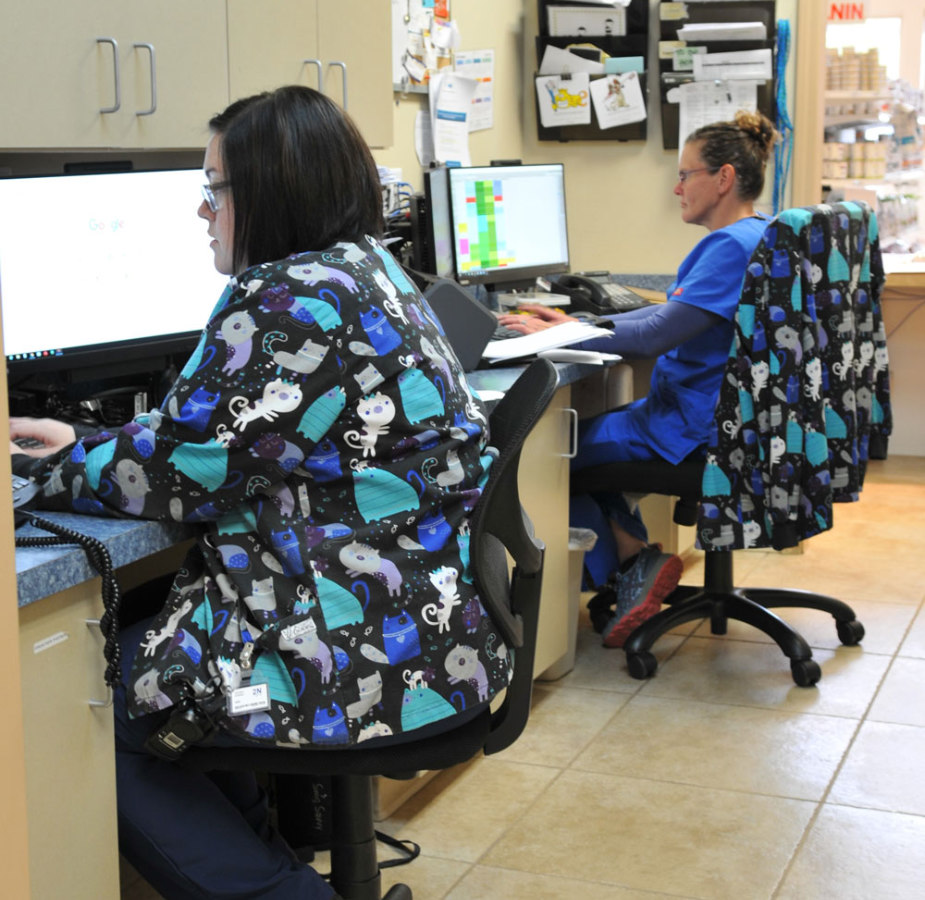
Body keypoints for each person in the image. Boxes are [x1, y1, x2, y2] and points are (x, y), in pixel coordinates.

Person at [10, 86, 509, 899]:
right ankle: (273, 873)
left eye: (213, 188)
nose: (202, 211)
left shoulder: (283, 302)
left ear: (269, 191)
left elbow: (176, 474)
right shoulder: (367, 270)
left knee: (83, 705)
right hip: (422, 635)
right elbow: (213, 445)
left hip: (355, 660)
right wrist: (89, 442)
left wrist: (48, 469)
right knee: (152, 650)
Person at [498, 110, 779, 649]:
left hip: (689, 429)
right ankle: (634, 559)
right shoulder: (755, 234)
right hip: (704, 419)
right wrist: (582, 324)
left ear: (723, 178)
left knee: (551, 459)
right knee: (576, 441)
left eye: (685, 174)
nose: (677, 188)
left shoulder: (730, 247)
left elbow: (654, 337)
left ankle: (633, 563)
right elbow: (662, 317)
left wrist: (555, 336)